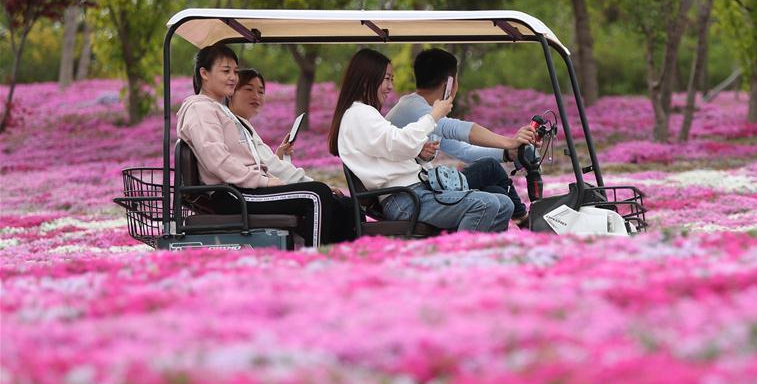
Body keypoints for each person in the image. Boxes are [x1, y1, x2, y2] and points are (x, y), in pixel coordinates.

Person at [328, 48, 529, 233]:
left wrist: (419, 154)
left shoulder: (364, 114)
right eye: (387, 79)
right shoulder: (360, 114)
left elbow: (392, 149)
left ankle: (479, 259)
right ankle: (458, 262)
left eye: (392, 79)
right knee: (487, 203)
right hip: (406, 199)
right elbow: (399, 142)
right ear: (366, 80)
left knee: (504, 204)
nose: (391, 86)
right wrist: (433, 116)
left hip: (416, 192)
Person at [176, 44, 346, 247]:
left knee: (341, 205)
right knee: (316, 195)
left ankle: (347, 262)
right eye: (225, 71)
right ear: (204, 73)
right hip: (233, 195)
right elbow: (217, 160)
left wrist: (268, 176)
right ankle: (312, 261)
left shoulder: (222, 111)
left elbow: (247, 158)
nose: (233, 77)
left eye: (235, 71)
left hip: (245, 189)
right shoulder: (200, 110)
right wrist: (263, 181)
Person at [385, 48, 533, 223]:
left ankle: (520, 224)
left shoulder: (424, 109)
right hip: (409, 195)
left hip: (422, 187)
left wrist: (507, 153)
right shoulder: (414, 108)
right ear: (449, 84)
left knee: (498, 193)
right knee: (490, 167)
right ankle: (525, 221)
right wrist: (509, 142)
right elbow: (457, 129)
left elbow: (464, 151)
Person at [226, 68, 357, 243]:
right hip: (243, 194)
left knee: (346, 205)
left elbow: (267, 164)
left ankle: (346, 258)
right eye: (248, 89)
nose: (256, 96)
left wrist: (278, 156)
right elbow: (268, 167)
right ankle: (317, 257)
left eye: (261, 91)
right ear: (231, 92)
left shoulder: (244, 126)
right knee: (319, 194)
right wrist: (314, 183)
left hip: (257, 187)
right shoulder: (234, 125)